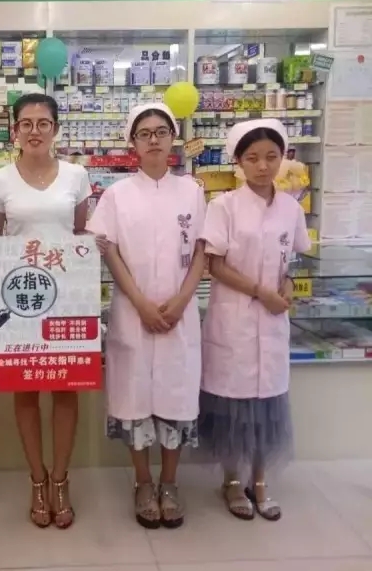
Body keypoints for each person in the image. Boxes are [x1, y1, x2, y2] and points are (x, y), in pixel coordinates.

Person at [88, 103, 206, 529]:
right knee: (134, 399)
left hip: (180, 313)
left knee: (175, 397)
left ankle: (169, 483)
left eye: (161, 131)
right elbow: (110, 252)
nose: (153, 139)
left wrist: (181, 301)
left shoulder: (192, 191)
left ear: (173, 138)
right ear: (132, 143)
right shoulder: (117, 195)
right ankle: (142, 482)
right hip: (132, 312)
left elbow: (202, 251)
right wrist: (139, 302)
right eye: (144, 133)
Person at [0, 93, 91, 529]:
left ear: (56, 129)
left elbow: (79, 233)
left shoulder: (77, 175)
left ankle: (61, 479)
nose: (35, 131)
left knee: (65, 389)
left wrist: (91, 246)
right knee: (24, 391)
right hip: (19, 296)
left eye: (43, 123)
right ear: (15, 130)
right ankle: (37, 479)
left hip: (67, 294)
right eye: (26, 123)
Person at [199, 119, 311, 522]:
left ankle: (259, 481)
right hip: (235, 318)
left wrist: (286, 286)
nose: (263, 166)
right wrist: (261, 292)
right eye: (253, 158)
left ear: (283, 159)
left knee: (267, 406)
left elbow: (290, 261)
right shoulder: (223, 206)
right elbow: (214, 265)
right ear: (239, 162)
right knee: (233, 404)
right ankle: (232, 480)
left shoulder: (290, 208)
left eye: (271, 157)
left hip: (272, 320)